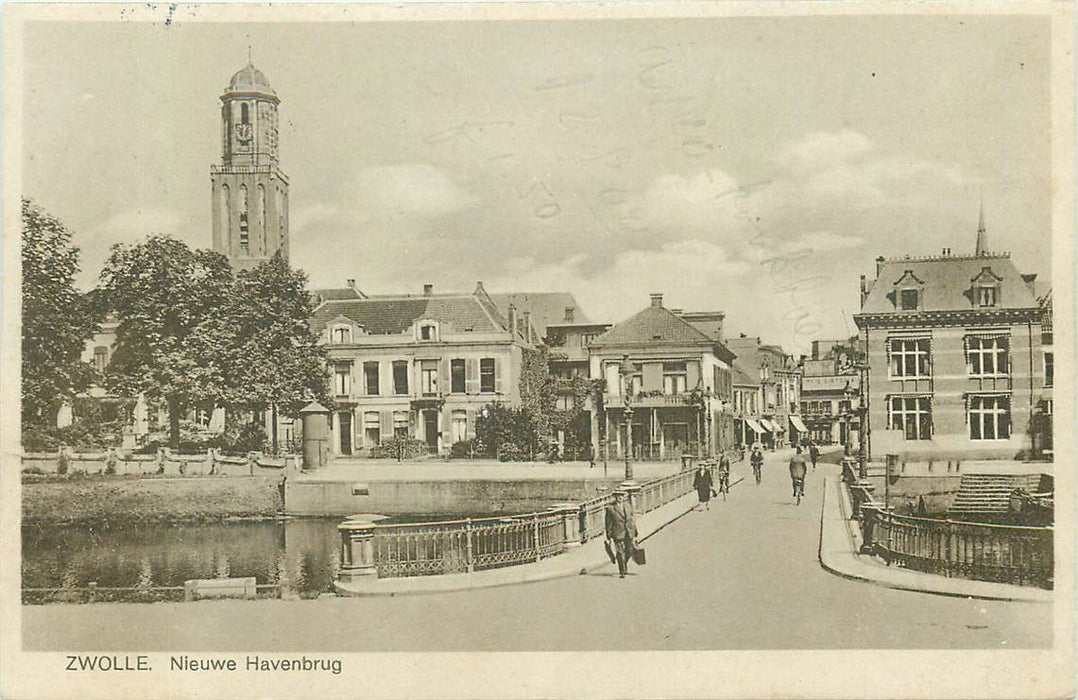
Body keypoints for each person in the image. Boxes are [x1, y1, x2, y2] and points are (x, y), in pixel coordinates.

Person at [604, 489, 638, 578]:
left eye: (622, 496)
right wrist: (608, 536)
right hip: (617, 533)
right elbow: (608, 523)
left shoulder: (628, 506)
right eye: (618, 496)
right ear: (615, 497)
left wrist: (635, 532)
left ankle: (624, 563)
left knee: (630, 551)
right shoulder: (610, 508)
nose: (620, 497)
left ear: (624, 497)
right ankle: (622, 571)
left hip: (629, 532)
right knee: (620, 553)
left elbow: (632, 520)